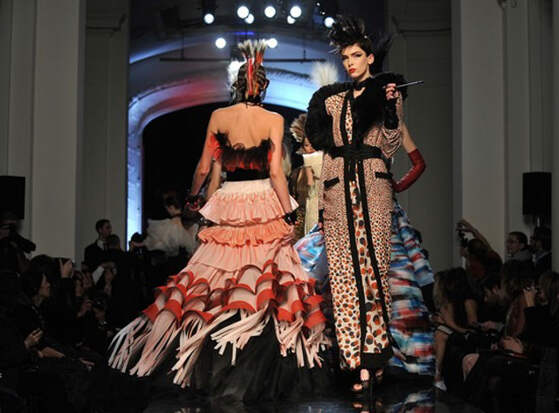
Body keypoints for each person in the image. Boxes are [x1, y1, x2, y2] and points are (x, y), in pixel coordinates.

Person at [108, 40, 329, 401]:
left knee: (214, 284)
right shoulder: (272, 120)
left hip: (229, 200)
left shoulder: (218, 118)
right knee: (264, 286)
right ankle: (252, 363)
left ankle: (214, 360)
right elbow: (275, 171)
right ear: (263, 86)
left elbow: (204, 169)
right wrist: (288, 209)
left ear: (237, 85)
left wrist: (195, 199)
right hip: (262, 201)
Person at [304, 15, 404, 396]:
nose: (350, 62)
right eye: (345, 57)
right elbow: (326, 148)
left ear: (370, 58)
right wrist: (322, 200)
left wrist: (391, 111)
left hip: (372, 189)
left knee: (374, 273)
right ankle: (355, 359)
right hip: (337, 191)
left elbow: (391, 147)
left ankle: (374, 358)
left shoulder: (386, 94)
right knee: (344, 278)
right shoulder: (331, 100)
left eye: (356, 55)